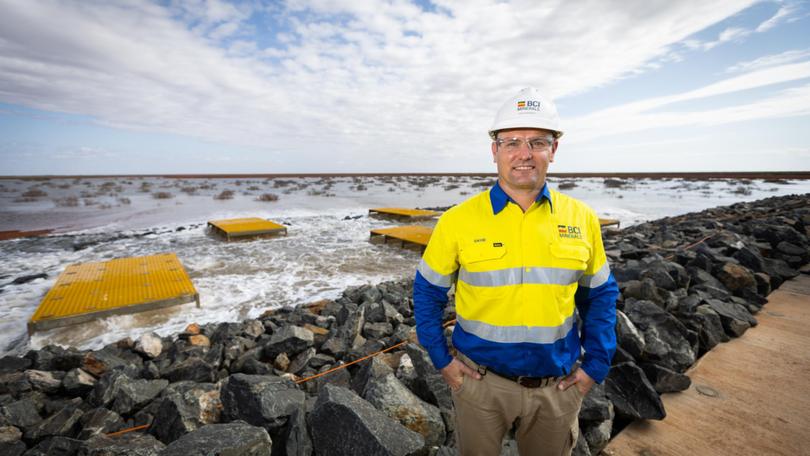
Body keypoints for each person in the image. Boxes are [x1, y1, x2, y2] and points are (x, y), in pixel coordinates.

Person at [413, 87, 619, 456]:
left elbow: (600, 295)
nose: (524, 153)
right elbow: (427, 292)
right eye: (512, 142)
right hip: (479, 385)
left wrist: (595, 367)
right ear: (495, 151)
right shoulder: (457, 221)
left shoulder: (582, 219)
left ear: (553, 150)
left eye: (537, 142)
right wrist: (442, 361)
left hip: (558, 388)